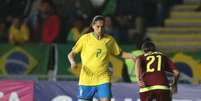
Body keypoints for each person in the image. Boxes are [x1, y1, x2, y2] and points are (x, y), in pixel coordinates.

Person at [68, 15, 135, 101]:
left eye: (102, 27)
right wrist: (72, 62)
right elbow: (71, 54)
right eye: (97, 26)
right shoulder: (85, 39)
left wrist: (132, 56)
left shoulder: (109, 40)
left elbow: (120, 53)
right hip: (86, 79)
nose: (100, 29)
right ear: (93, 26)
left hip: (103, 78)